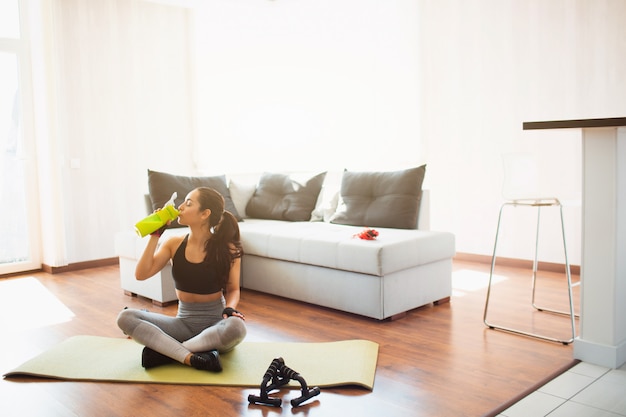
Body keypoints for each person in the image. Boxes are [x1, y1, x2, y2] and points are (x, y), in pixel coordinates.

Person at [117, 187, 247, 372]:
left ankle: (168, 351)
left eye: (188, 203)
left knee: (237, 327)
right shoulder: (173, 243)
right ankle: (192, 355)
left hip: (216, 323)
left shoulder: (228, 248)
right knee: (126, 317)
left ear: (205, 214)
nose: (180, 207)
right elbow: (141, 274)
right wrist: (155, 235)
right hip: (182, 323)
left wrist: (230, 308)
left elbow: (233, 289)